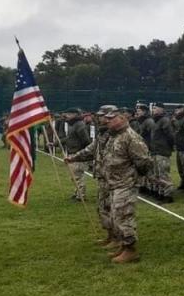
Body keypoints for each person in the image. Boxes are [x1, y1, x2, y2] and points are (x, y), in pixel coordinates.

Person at [72, 108, 151, 263]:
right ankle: (123, 245)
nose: (107, 121)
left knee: (124, 216)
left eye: (111, 118)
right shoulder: (115, 136)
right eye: (107, 118)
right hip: (114, 183)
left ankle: (131, 250)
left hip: (125, 183)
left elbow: (144, 162)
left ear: (122, 118)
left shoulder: (131, 137)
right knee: (115, 215)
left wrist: (132, 177)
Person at [67, 106, 116, 245]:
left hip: (115, 178)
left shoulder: (118, 134)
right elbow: (91, 149)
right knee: (103, 208)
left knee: (115, 209)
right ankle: (111, 236)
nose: (100, 118)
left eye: (103, 116)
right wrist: (73, 158)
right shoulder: (102, 133)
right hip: (103, 176)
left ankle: (120, 240)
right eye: (99, 116)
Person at [60, 108, 92, 201]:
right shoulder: (73, 125)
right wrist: (54, 143)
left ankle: (81, 196)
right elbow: (68, 138)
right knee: (74, 176)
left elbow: (86, 140)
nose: (66, 116)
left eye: (69, 114)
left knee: (78, 176)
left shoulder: (79, 125)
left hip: (77, 154)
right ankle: (77, 193)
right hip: (73, 153)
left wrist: (81, 153)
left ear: (75, 114)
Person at [149, 103, 175, 203]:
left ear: (161, 109)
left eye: (155, 108)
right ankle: (160, 193)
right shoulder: (155, 120)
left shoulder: (164, 120)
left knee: (164, 174)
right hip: (155, 151)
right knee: (157, 174)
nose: (153, 110)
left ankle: (168, 195)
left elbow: (170, 136)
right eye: (153, 108)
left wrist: (168, 147)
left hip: (162, 151)